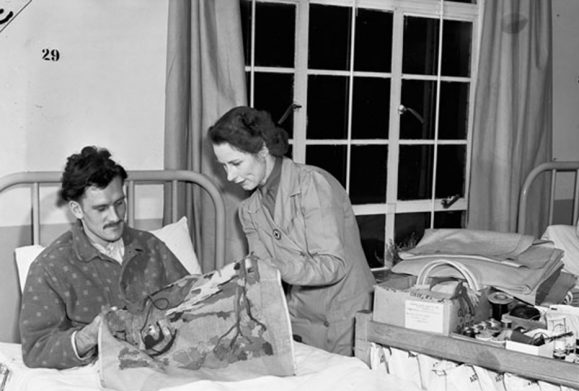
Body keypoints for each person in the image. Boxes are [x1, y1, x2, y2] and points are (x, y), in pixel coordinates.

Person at [207, 106, 375, 356]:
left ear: (263, 149)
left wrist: (277, 268)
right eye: (224, 167)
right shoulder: (248, 212)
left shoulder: (312, 184)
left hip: (347, 319)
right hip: (300, 319)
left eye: (236, 163)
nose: (230, 176)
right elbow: (261, 272)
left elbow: (333, 265)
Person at [19, 146, 189, 369]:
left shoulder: (151, 246)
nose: (115, 216)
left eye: (119, 203)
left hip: (169, 366)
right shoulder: (50, 267)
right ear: (77, 210)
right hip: (98, 381)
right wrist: (87, 336)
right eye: (101, 208)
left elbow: (193, 301)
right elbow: (36, 349)